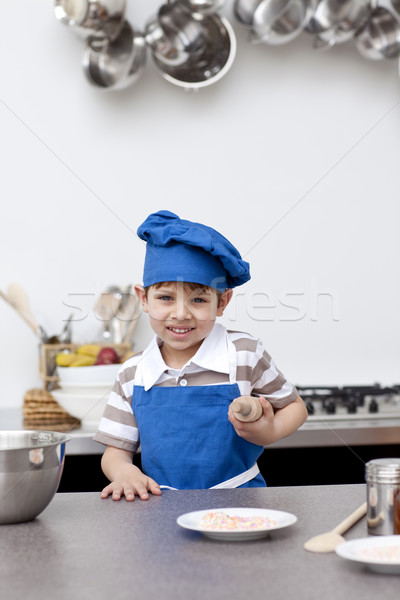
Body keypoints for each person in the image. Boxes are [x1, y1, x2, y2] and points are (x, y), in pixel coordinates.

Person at [93, 210, 308, 501]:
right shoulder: (133, 372)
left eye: (198, 299)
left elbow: (295, 407)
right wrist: (124, 473)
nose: (180, 313)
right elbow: (116, 451)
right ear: (143, 299)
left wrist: (269, 431)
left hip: (240, 501)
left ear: (222, 302)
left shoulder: (244, 353)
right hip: (159, 507)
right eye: (166, 297)